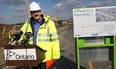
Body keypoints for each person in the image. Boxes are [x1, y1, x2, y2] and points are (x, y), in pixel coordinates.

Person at [9, 1, 60, 69]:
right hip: (32, 57)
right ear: (31, 13)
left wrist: (55, 56)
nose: (36, 13)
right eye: (33, 12)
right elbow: (20, 36)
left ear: (40, 11)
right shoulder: (27, 24)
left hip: (45, 58)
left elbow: (55, 40)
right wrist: (13, 34)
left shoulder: (49, 23)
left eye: (37, 11)